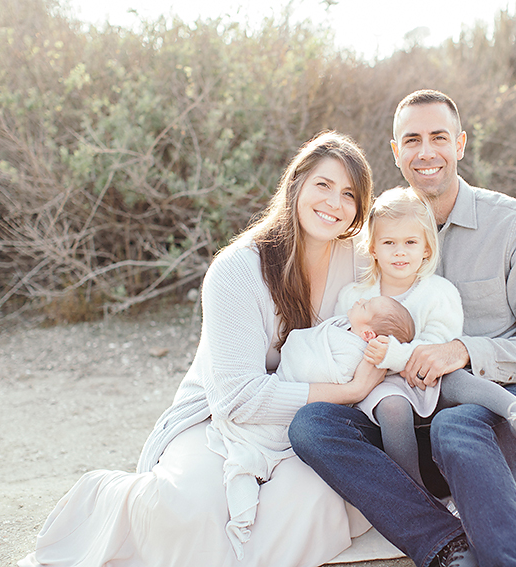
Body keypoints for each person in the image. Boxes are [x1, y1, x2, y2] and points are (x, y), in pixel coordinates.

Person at [19, 131, 385, 567]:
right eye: (323, 185)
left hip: (304, 425)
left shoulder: (363, 265)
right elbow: (237, 397)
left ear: (359, 210)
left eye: (349, 194)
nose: (334, 202)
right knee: (190, 512)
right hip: (215, 419)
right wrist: (350, 389)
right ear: (296, 185)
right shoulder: (237, 270)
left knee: (308, 505)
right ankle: (109, 499)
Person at [290, 90, 516, 567]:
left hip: (501, 415)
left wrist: (462, 351)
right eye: (412, 140)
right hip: (408, 431)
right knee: (312, 424)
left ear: (459, 144)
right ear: (396, 152)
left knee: (454, 424)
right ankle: (449, 550)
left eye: (438, 137)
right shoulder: (374, 235)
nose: (426, 151)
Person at [334, 186, 516, 488]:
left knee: (458, 379)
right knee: (393, 408)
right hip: (380, 383)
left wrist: (397, 355)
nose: (399, 251)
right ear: (372, 248)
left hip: (429, 376)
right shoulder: (354, 297)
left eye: (410, 242)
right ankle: (413, 492)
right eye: (389, 242)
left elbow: (438, 345)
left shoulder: (438, 292)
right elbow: (340, 342)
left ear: (426, 249)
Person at [209, 294, 414, 556]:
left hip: (296, 406)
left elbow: (326, 372)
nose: (359, 299)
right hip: (280, 387)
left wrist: (359, 380)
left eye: (365, 306)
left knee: (258, 445)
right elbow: (302, 340)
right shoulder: (340, 326)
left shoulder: (355, 353)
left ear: (368, 335)